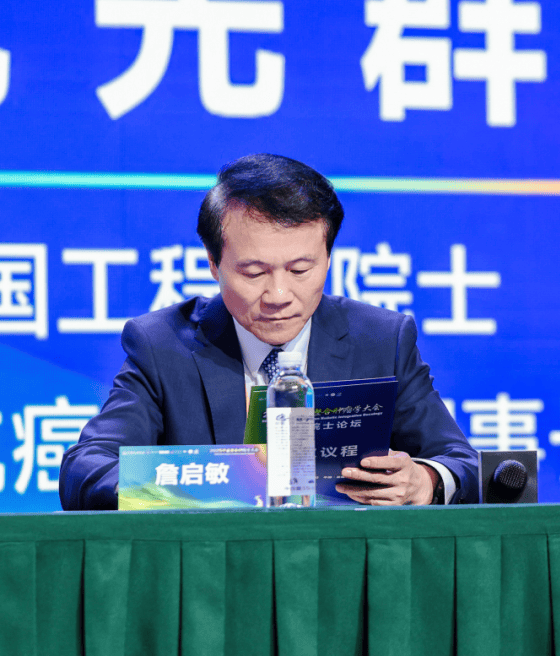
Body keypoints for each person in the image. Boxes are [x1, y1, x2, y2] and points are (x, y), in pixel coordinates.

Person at [60, 153, 478, 509]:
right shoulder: (162, 344)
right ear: (213, 264)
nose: (279, 295)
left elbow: (463, 463)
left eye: (300, 270)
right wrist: (200, 488)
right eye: (254, 272)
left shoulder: (382, 339)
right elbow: (85, 469)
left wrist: (426, 481)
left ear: (328, 258)